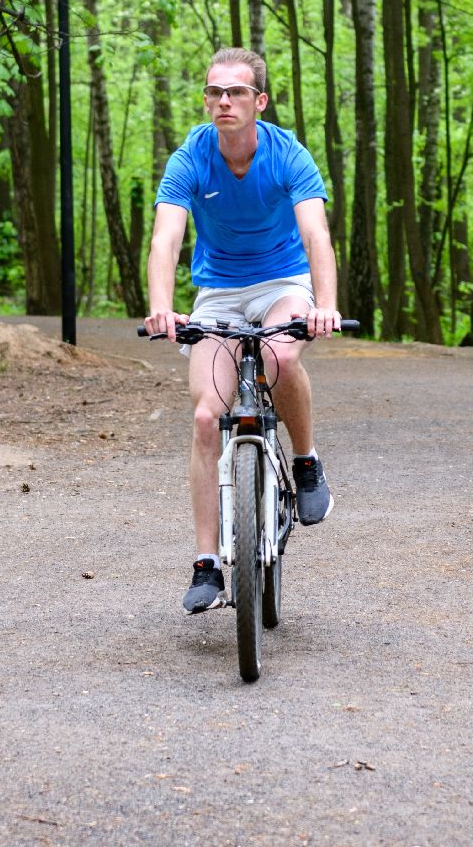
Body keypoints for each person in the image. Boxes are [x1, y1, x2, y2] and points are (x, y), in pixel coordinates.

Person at [143, 47, 343, 614]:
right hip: (219, 294)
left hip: (282, 282)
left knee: (280, 356)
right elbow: (166, 240)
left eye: (234, 92)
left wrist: (324, 305)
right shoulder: (190, 158)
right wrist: (162, 307)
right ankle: (207, 563)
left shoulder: (288, 154)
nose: (222, 100)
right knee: (208, 416)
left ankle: (304, 461)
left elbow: (316, 236)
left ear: (259, 101)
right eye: (214, 92)